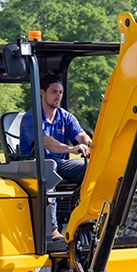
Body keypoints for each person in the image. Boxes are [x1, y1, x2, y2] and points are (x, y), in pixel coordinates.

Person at [19, 72, 91, 240]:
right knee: (48, 170)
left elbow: (81, 136)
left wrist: (89, 145)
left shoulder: (66, 117)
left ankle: (84, 219)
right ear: (42, 93)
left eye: (60, 92)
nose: (58, 96)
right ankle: (52, 230)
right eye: (53, 92)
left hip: (60, 163)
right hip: (34, 163)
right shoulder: (31, 118)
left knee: (90, 170)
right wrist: (72, 149)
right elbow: (46, 142)